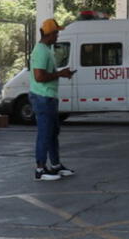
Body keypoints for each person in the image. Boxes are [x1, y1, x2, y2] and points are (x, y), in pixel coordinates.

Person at [29, 18, 76, 181]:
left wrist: (61, 73)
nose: (58, 36)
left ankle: (55, 165)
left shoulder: (46, 49)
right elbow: (39, 77)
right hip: (43, 97)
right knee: (44, 134)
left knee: (52, 132)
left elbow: (44, 74)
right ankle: (40, 170)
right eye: (56, 33)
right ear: (49, 34)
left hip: (48, 97)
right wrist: (60, 74)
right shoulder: (41, 51)